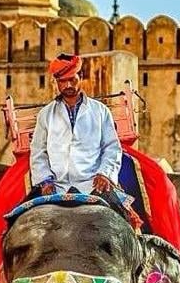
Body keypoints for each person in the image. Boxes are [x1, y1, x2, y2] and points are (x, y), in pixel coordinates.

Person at [30, 53, 122, 195]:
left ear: (81, 76)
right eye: (62, 81)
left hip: (92, 184)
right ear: (57, 82)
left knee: (120, 209)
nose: (68, 85)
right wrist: (45, 181)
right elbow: (38, 151)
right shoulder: (45, 114)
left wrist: (104, 174)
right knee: (23, 209)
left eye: (72, 79)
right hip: (56, 186)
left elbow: (112, 147)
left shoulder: (100, 111)